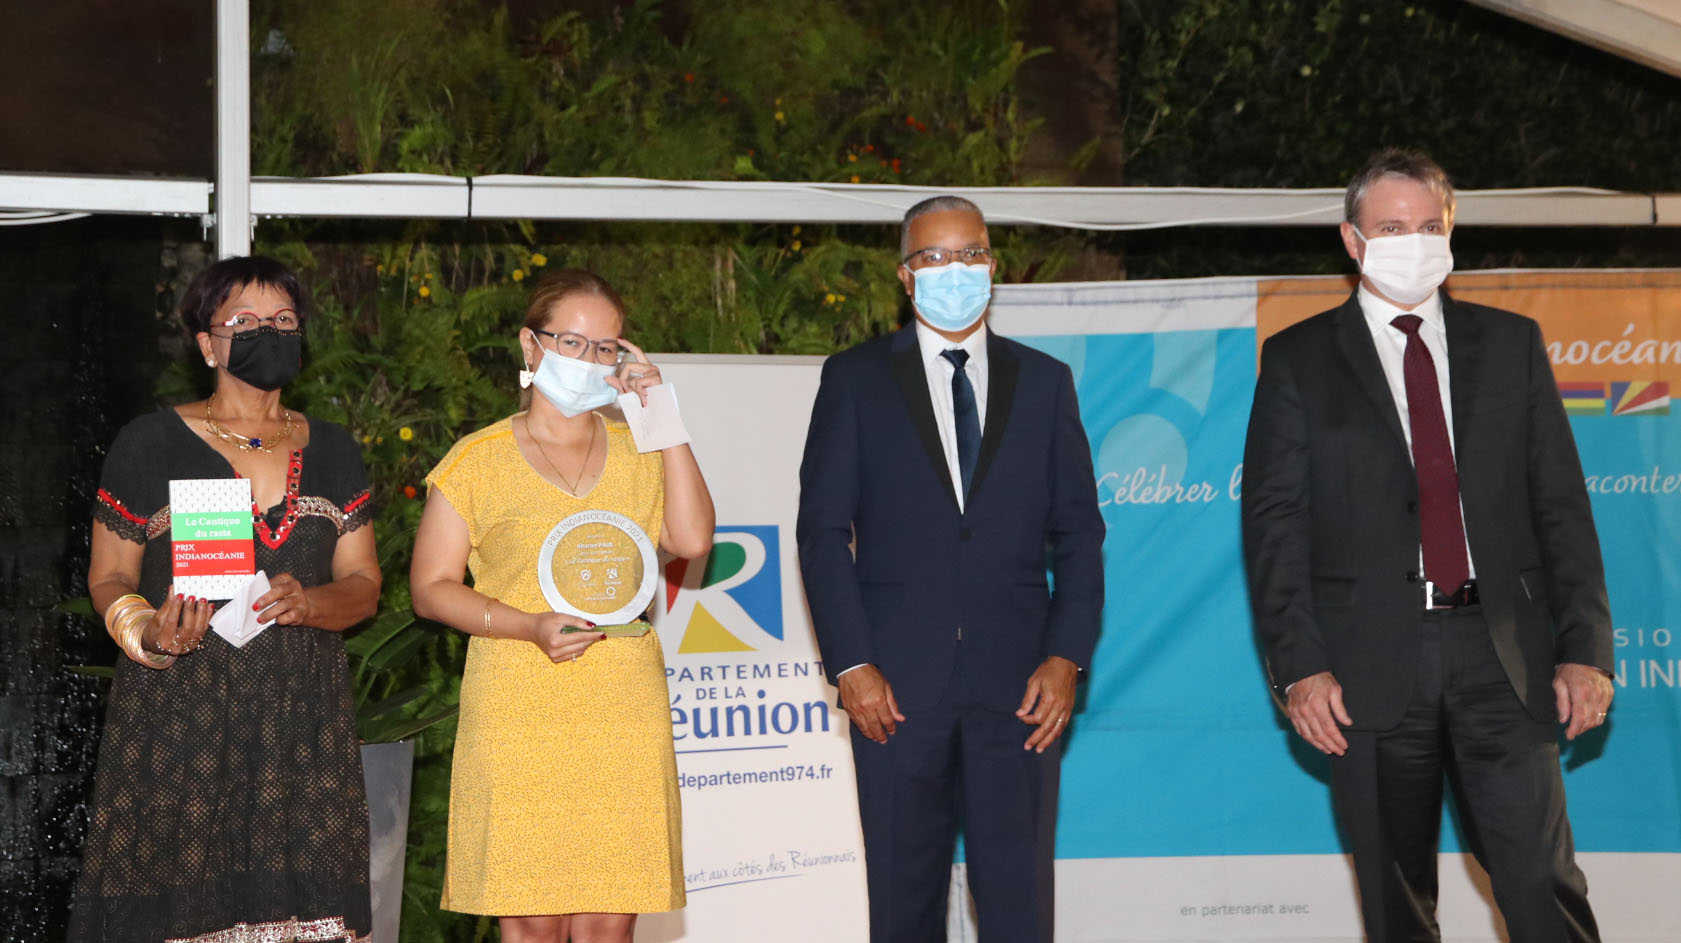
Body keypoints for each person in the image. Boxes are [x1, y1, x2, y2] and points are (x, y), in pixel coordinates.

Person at [1242, 148, 1614, 942]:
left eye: (1426, 226)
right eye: (1389, 227)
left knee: (1541, 883)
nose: (1410, 242)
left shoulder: (1512, 343)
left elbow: (1562, 508)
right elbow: (1272, 526)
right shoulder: (1298, 359)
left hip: (1502, 657)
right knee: (1395, 902)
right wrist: (1300, 667)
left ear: (1450, 230)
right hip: (1365, 667)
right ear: (1350, 239)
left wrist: (1585, 648)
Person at [796, 196, 1104, 942]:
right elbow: (820, 532)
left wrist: (1065, 658)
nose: (954, 270)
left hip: (1023, 692)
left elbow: (1080, 534)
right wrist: (853, 663)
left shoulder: (1045, 381)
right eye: (934, 257)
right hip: (894, 692)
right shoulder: (855, 379)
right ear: (906, 277)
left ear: (992, 266)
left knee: (1018, 908)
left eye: (970, 253)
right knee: (902, 906)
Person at [70, 256, 381, 943]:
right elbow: (108, 576)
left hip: (301, 734)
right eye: (242, 321)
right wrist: (149, 629)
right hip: (181, 725)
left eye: (283, 321)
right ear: (207, 343)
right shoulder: (149, 444)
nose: (265, 332)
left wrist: (312, 601)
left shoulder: (333, 450)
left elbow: (364, 585)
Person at [410, 269, 713, 943]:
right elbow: (430, 587)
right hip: (519, 692)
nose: (589, 360)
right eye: (571, 342)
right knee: (532, 918)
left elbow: (691, 539)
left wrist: (662, 415)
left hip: (619, 697)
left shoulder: (644, 449)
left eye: (606, 347)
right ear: (531, 344)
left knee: (611, 918)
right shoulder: (477, 459)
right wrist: (528, 625)